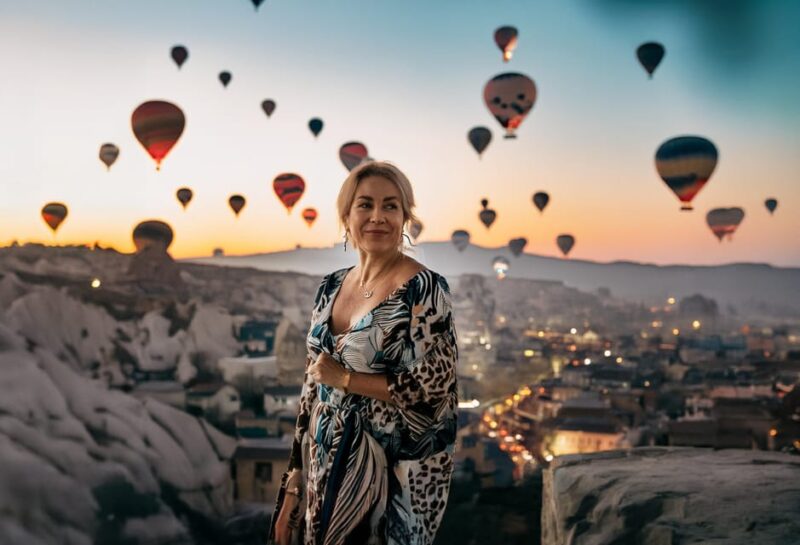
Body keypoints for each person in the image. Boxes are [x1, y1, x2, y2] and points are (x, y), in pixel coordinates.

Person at [270, 161, 458, 545]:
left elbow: (434, 389)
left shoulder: (424, 289)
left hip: (389, 472)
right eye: (365, 205)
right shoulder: (331, 286)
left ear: (406, 217)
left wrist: (349, 380)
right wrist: (293, 482)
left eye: (390, 206)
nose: (378, 217)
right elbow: (312, 388)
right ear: (346, 215)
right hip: (323, 461)